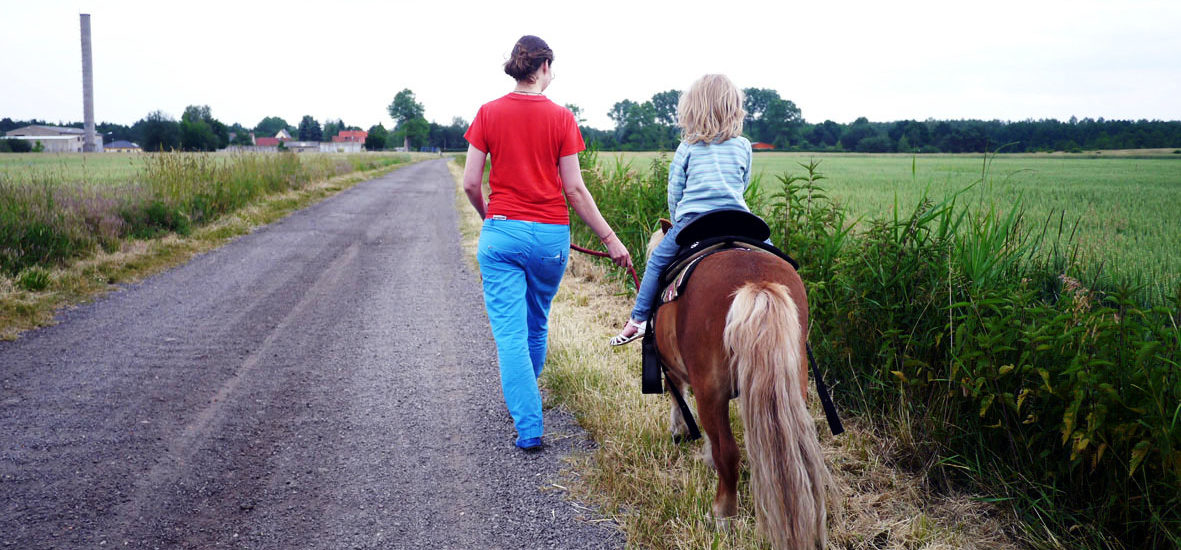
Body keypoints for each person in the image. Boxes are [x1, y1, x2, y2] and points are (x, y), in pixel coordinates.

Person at [463, 35, 631, 451]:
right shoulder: (562, 118)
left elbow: (470, 183)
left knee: (509, 335)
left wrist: (493, 221)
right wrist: (610, 240)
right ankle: (526, 398)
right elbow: (574, 190)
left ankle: (529, 424)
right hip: (551, 238)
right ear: (543, 67)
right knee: (536, 322)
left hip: (502, 232)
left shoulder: (487, 113)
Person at [611, 74, 754, 346]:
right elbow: (743, 184)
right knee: (771, 255)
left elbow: (675, 190)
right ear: (734, 108)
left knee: (657, 262)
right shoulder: (744, 145)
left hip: (694, 222)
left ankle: (637, 320)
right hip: (738, 220)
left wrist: (677, 219)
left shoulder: (687, 146)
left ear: (693, 108)